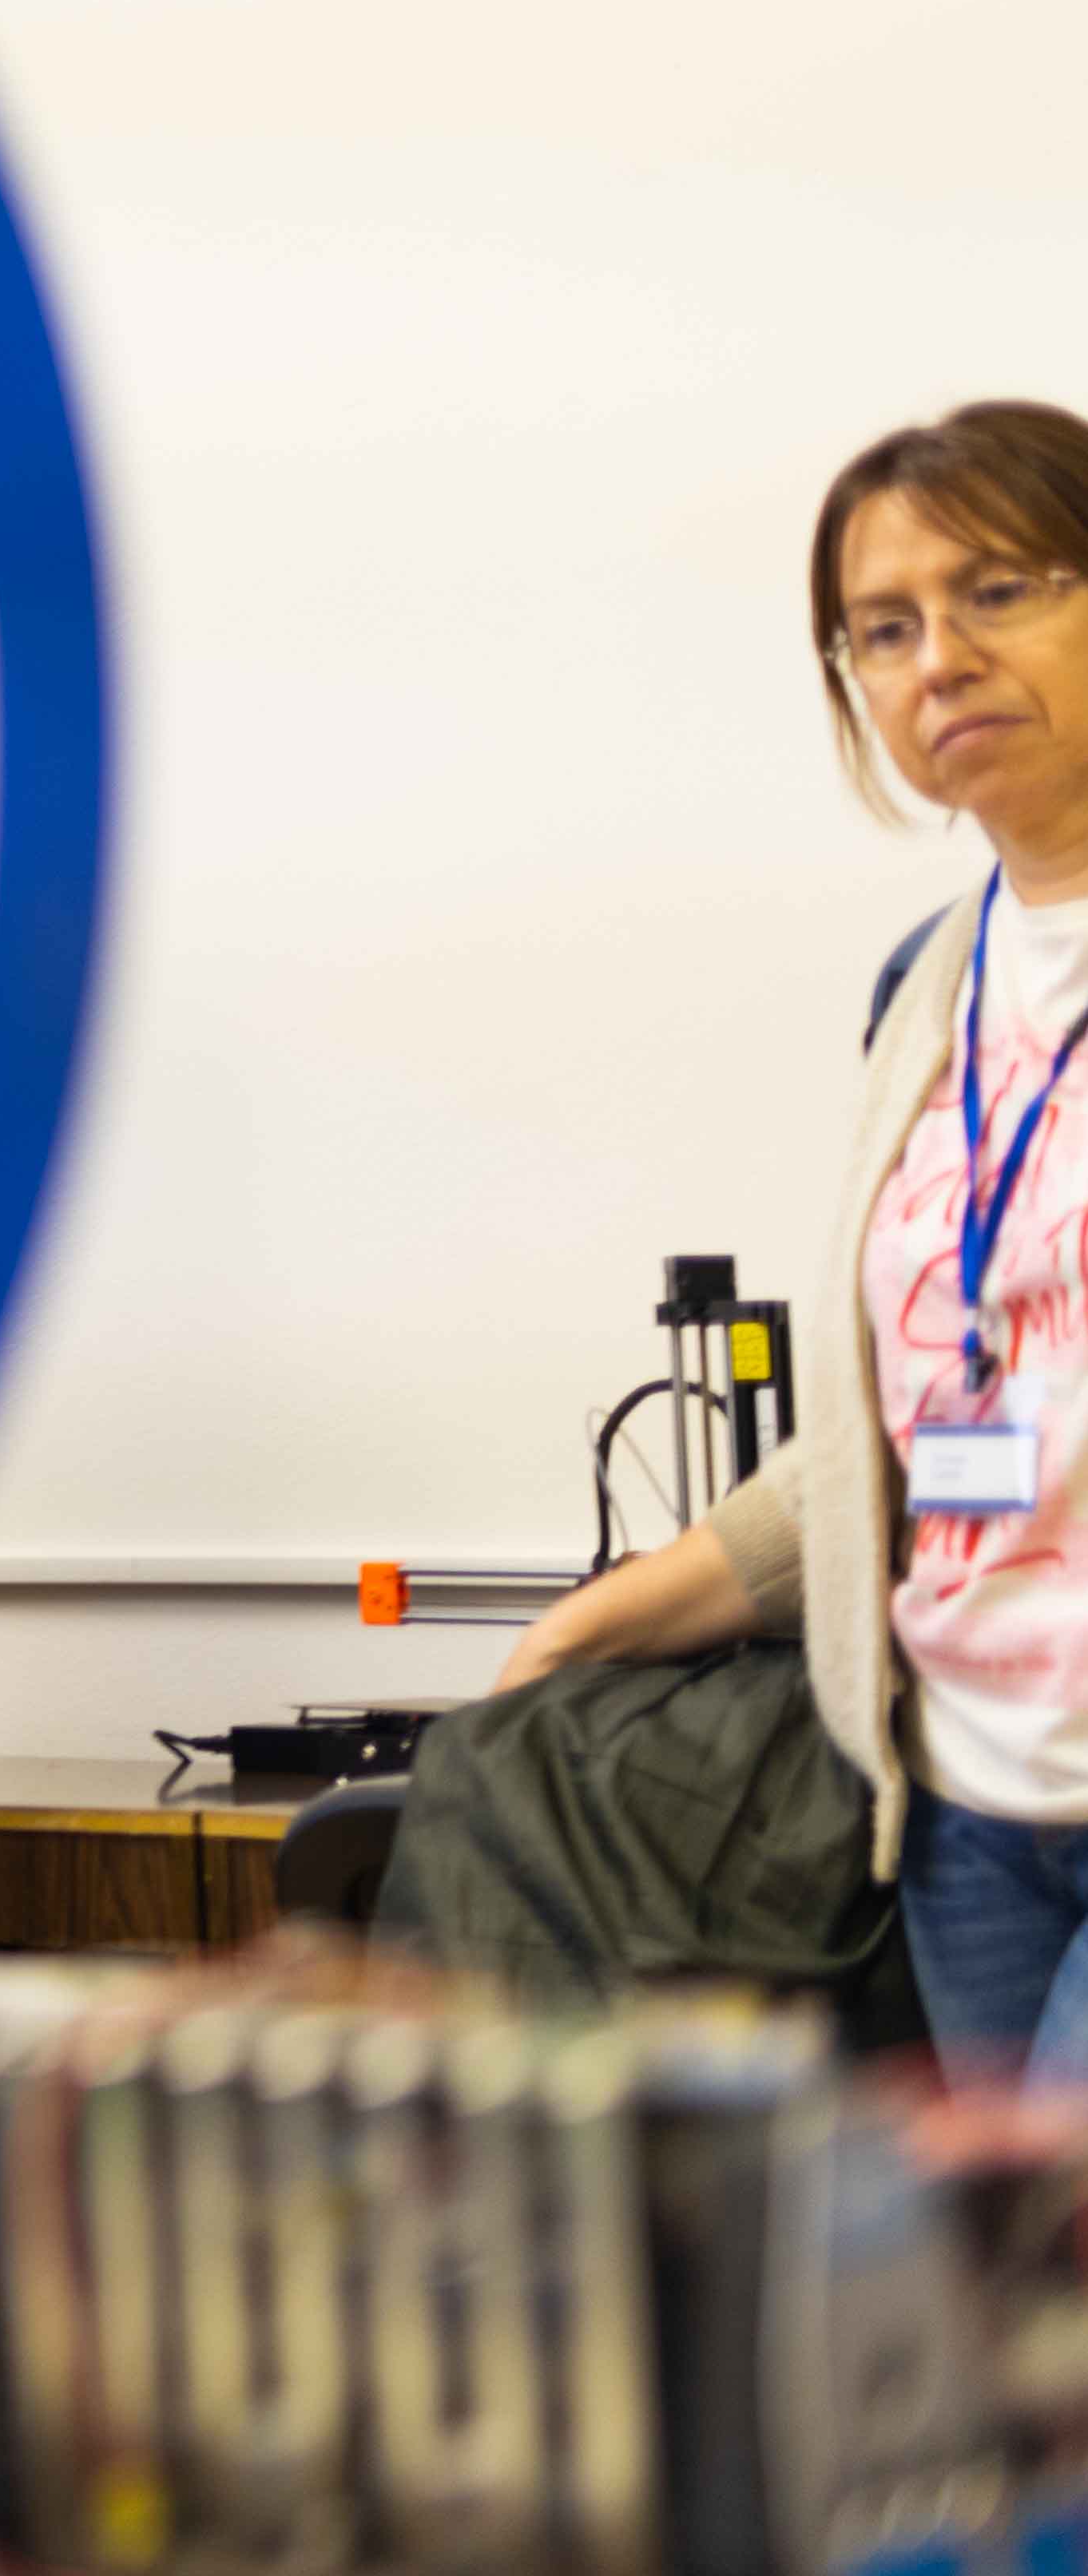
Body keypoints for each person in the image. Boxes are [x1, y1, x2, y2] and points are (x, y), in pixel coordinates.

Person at [496, 401, 1088, 2079]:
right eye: (881, 630)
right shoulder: (923, 985)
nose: (937, 659)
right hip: (963, 1809)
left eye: (996, 591)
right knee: (999, 2249)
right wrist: (589, 1623)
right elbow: (901, 1430)